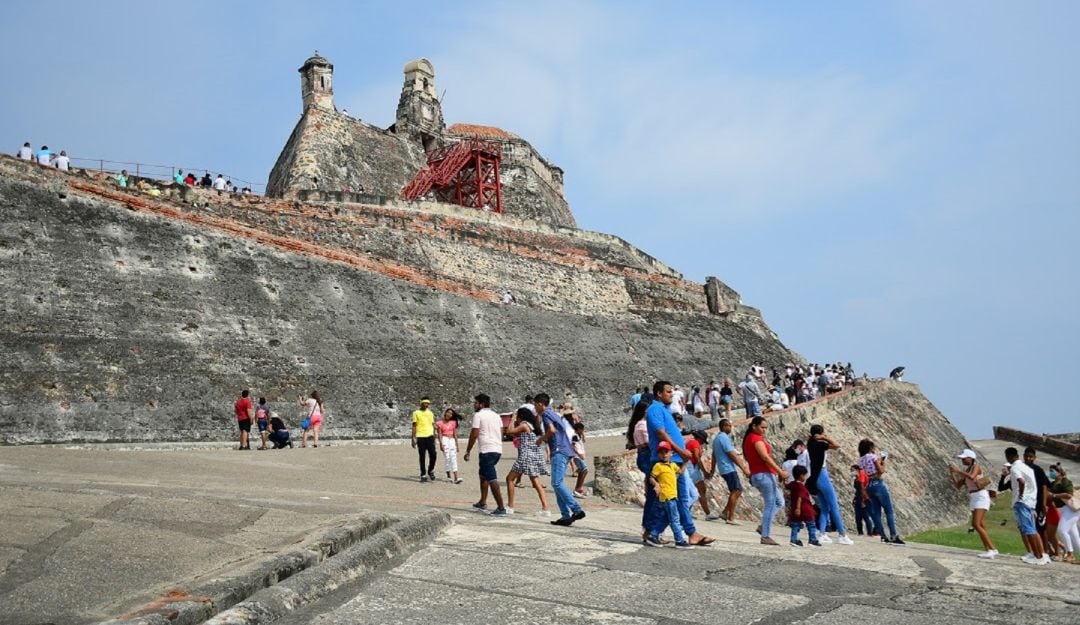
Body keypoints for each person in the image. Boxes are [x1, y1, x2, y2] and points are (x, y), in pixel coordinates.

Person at [643, 381, 713, 546]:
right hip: (667, 461)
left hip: (675, 461)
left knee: (681, 498)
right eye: (668, 392)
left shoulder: (665, 410)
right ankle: (654, 532)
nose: (671, 394)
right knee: (669, 500)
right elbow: (661, 433)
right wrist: (680, 450)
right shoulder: (655, 409)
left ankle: (686, 532)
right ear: (659, 393)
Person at [534, 392, 585, 526]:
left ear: (540, 404)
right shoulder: (554, 413)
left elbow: (551, 430)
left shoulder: (545, 414)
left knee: (556, 483)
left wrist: (541, 439)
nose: (535, 408)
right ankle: (565, 516)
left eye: (535, 405)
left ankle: (576, 509)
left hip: (559, 450)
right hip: (566, 450)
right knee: (558, 484)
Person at [805, 425, 855, 545]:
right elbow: (837, 446)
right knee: (834, 506)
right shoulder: (820, 444)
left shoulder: (810, 444)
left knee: (825, 507)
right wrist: (825, 438)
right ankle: (842, 534)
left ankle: (822, 533)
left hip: (815, 477)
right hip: (822, 475)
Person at [998, 446, 1047, 564]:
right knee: (1032, 529)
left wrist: (1020, 495)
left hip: (1022, 502)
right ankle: (1041, 555)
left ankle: (1038, 557)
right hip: (1031, 501)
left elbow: (1021, 481)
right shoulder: (1026, 467)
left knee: (1028, 530)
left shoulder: (1015, 468)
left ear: (1009, 456)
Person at [743, 416, 786, 545]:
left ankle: (763, 526)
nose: (764, 430)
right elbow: (765, 458)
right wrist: (780, 472)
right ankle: (765, 535)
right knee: (771, 504)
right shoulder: (755, 439)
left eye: (765, 428)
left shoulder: (750, 439)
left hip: (760, 474)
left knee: (779, 501)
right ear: (754, 426)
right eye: (762, 427)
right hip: (764, 474)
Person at [948, 448, 998, 559]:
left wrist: (958, 471)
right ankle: (988, 549)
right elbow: (958, 485)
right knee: (981, 524)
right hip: (974, 497)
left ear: (971, 459)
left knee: (976, 524)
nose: (962, 461)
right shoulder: (966, 470)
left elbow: (972, 476)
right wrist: (953, 474)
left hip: (981, 495)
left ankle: (993, 549)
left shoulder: (976, 467)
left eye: (964, 458)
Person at [464, 393, 508, 516]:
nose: (474, 405)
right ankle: (482, 501)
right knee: (483, 474)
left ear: (481, 404)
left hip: (486, 450)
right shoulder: (496, 416)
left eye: (476, 403)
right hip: (497, 449)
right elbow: (501, 432)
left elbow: (474, 433)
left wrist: (468, 450)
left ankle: (501, 508)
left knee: (491, 478)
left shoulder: (478, 415)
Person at [646, 441, 693, 549]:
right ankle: (679, 540)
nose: (664, 454)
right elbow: (651, 477)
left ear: (671, 453)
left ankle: (653, 535)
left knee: (666, 519)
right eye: (661, 452)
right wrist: (656, 484)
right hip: (666, 496)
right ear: (658, 454)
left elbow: (680, 472)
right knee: (675, 519)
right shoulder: (658, 466)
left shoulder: (672, 465)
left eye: (666, 452)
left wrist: (685, 462)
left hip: (673, 496)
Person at [505, 407, 550, 516]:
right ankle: (545, 508)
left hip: (525, 456)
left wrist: (512, 419)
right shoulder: (533, 426)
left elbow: (509, 431)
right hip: (534, 456)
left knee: (510, 479)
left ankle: (510, 506)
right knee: (536, 482)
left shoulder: (524, 425)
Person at [858, 439, 904, 544]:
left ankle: (883, 536)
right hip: (878, 483)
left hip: (869, 485)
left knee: (877, 513)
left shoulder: (860, 460)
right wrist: (883, 462)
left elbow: (863, 473)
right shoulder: (873, 457)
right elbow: (881, 470)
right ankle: (893, 535)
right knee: (889, 511)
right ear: (870, 448)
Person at [708, 418, 750, 525]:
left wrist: (713, 469)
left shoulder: (717, 438)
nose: (730, 428)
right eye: (729, 426)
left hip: (723, 468)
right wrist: (743, 468)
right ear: (724, 426)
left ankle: (725, 512)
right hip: (728, 468)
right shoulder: (724, 438)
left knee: (735, 490)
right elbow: (732, 454)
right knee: (737, 490)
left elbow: (714, 456)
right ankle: (730, 518)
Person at [1023, 447, 1055, 558]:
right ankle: (1033, 551)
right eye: (1026, 456)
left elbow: (1045, 487)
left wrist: (1044, 504)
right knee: (1029, 527)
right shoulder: (1021, 468)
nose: (1028, 458)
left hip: (1038, 502)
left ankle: (1045, 551)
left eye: (1030, 456)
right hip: (1027, 501)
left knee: (1041, 528)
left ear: (1034, 458)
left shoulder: (1038, 470)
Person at [1048, 464, 1079, 564]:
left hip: (1071, 510)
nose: (1051, 473)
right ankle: (1072, 554)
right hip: (1063, 510)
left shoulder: (1065, 481)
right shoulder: (1053, 484)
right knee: (1074, 535)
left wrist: (1054, 495)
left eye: (1052, 471)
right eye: (1050, 471)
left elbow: (1069, 495)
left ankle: (1070, 554)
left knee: (1062, 530)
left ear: (1059, 472)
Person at [685, 430, 716, 520]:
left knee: (692, 491)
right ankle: (708, 513)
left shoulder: (691, 442)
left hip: (690, 467)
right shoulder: (695, 444)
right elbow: (697, 458)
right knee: (701, 490)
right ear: (701, 439)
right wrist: (705, 472)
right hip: (692, 468)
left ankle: (687, 511)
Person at [787, 465, 820, 547]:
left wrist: (783, 478)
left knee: (795, 524)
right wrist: (798, 508)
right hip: (805, 508)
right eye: (805, 475)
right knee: (811, 524)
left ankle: (793, 539)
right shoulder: (801, 486)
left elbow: (786, 485)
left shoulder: (793, 484)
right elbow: (800, 497)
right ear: (801, 475)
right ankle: (812, 540)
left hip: (795, 508)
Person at [411, 397, 437, 482]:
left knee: (433, 455)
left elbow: (432, 424)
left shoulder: (430, 413)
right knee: (422, 456)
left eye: (427, 403)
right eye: (424, 403)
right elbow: (414, 425)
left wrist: (435, 434)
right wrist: (413, 438)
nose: (426, 405)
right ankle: (423, 474)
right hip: (420, 436)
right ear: (421, 403)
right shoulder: (416, 413)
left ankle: (430, 470)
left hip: (430, 436)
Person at [437, 408, 462, 483]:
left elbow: (455, 434)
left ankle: (456, 477)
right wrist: (441, 444)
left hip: (452, 440)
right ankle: (448, 476)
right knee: (447, 457)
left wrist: (457, 445)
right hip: (444, 439)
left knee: (453, 457)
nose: (449, 414)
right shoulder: (440, 423)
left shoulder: (453, 422)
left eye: (451, 414)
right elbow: (439, 434)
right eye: (448, 412)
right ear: (445, 413)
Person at [851, 463, 874, 535]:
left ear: (857, 469)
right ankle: (860, 532)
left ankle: (870, 533)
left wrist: (863, 500)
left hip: (863, 498)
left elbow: (863, 489)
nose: (851, 472)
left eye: (852, 470)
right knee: (858, 517)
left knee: (866, 516)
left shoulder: (862, 474)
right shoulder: (856, 478)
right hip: (858, 497)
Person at [571, 422, 588, 498]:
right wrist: (578, 454)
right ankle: (578, 488)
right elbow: (573, 446)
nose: (583, 431)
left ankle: (579, 488)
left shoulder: (578, 435)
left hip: (580, 456)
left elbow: (583, 441)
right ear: (578, 429)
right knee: (584, 470)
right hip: (577, 456)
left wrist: (583, 435)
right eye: (582, 429)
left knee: (583, 470)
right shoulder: (574, 436)